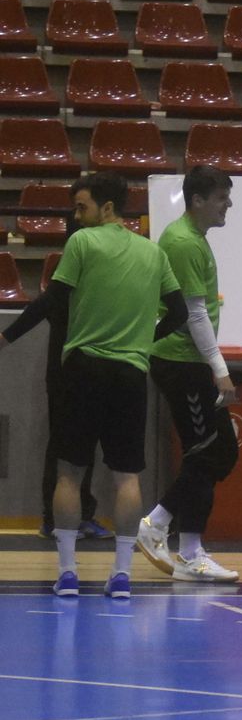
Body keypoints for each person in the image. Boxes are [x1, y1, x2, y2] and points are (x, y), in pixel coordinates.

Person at [0, 173, 187, 598]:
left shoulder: (82, 243)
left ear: (107, 207)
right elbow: (178, 313)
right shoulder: (154, 253)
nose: (76, 214)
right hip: (130, 375)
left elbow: (53, 299)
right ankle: (121, 576)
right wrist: (145, 339)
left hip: (83, 370)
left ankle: (68, 572)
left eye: (81, 206)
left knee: (69, 473)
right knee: (127, 477)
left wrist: (7, 337)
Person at [135, 165, 241, 584]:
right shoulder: (182, 242)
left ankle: (174, 535)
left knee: (218, 452)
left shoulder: (193, 239)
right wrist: (221, 370)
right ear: (197, 200)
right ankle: (174, 539)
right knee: (208, 453)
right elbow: (194, 313)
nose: (228, 204)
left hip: (189, 362)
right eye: (221, 198)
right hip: (180, 361)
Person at [39, 212, 109, 544]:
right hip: (64, 370)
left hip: (89, 368)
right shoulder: (66, 272)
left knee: (85, 446)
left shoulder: (99, 270)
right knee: (62, 447)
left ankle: (82, 514)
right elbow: (46, 311)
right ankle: (53, 518)